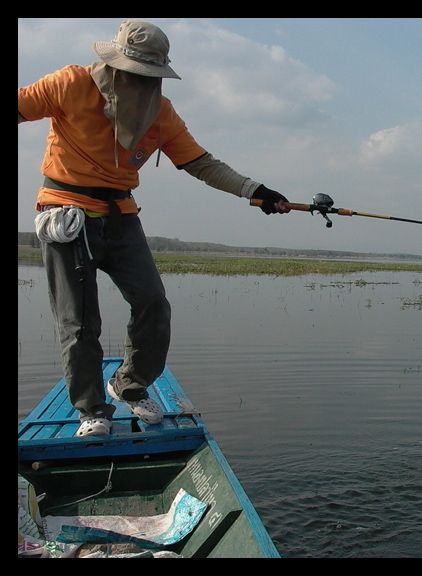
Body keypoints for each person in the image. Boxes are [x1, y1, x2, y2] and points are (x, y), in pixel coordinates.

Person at [18, 19, 291, 437]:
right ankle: (91, 409)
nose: (140, 83)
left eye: (148, 76)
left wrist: (255, 191)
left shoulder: (159, 111)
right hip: (67, 213)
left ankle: (129, 383)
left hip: (121, 216)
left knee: (153, 305)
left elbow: (200, 163)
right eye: (133, 74)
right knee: (80, 321)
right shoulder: (68, 84)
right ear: (113, 64)